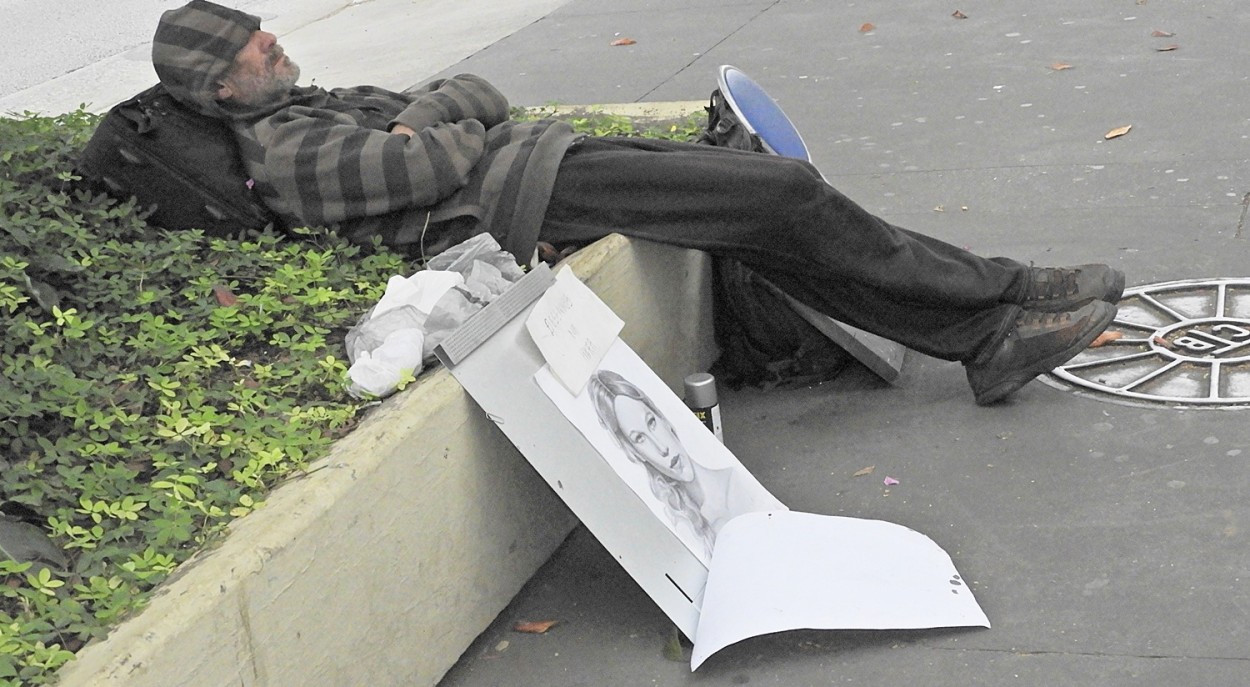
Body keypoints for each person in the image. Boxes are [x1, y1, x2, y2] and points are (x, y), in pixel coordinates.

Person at [149, 1, 1126, 405]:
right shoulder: (285, 148)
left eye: (272, 38)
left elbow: (470, 99)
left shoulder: (311, 108)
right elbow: (421, 162)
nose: (281, 52)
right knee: (780, 189)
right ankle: (999, 293)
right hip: (523, 195)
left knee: (763, 217)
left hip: (530, 160)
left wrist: (432, 121)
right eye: (259, 55)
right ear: (220, 91)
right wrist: (434, 125)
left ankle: (988, 335)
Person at [587, 370, 779, 558]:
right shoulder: (678, 522)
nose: (661, 448)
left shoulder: (737, 485)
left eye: (651, 422)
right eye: (639, 439)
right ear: (636, 453)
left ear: (663, 418)